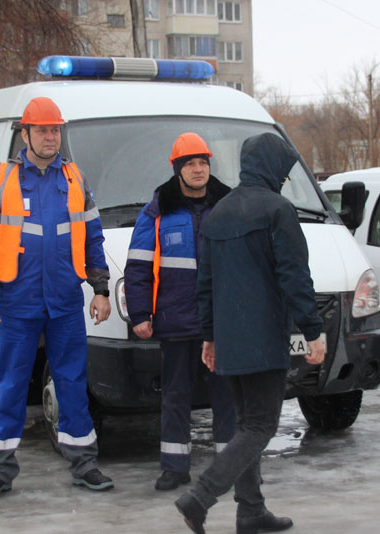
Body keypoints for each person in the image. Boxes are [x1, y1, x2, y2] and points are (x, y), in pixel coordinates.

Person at [174, 132, 326, 534]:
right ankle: (200, 497)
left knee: (247, 426)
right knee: (260, 426)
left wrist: (209, 336)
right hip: (262, 338)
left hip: (229, 339)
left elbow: (204, 281)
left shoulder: (219, 212)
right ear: (273, 165)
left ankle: (251, 511)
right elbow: (295, 276)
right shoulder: (278, 210)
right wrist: (313, 330)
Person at [0, 96, 113, 499]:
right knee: (12, 384)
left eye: (55, 130)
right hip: (19, 301)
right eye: (42, 130)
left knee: (71, 383)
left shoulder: (75, 178)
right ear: (25, 133)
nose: (51, 137)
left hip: (65, 302)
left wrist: (100, 289)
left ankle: (84, 464)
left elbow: (93, 239)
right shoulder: (2, 179)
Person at [124, 133, 236, 492]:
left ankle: (230, 467)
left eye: (203, 162)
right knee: (175, 397)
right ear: (177, 170)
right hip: (175, 320)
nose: (199, 169)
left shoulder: (229, 205)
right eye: (190, 164)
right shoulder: (157, 211)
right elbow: (138, 265)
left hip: (222, 322)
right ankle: (174, 467)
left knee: (228, 398)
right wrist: (140, 315)